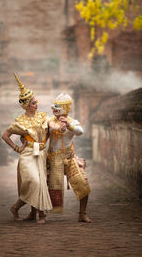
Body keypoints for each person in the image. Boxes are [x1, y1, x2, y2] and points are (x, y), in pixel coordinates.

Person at [2, 74, 52, 224]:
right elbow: (5, 135)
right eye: (33, 103)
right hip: (28, 153)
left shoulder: (43, 117)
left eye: (36, 102)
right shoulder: (20, 121)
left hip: (41, 153)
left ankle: (37, 214)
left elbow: (50, 131)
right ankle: (20, 208)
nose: (36, 104)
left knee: (41, 183)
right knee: (34, 181)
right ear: (26, 105)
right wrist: (17, 148)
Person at [48, 93, 92, 223]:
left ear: (65, 108)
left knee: (82, 182)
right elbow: (48, 130)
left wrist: (68, 125)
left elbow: (80, 132)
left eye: (57, 107)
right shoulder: (49, 121)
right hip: (54, 158)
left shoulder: (73, 122)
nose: (54, 109)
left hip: (70, 156)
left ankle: (82, 214)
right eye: (54, 107)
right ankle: (35, 213)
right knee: (43, 185)